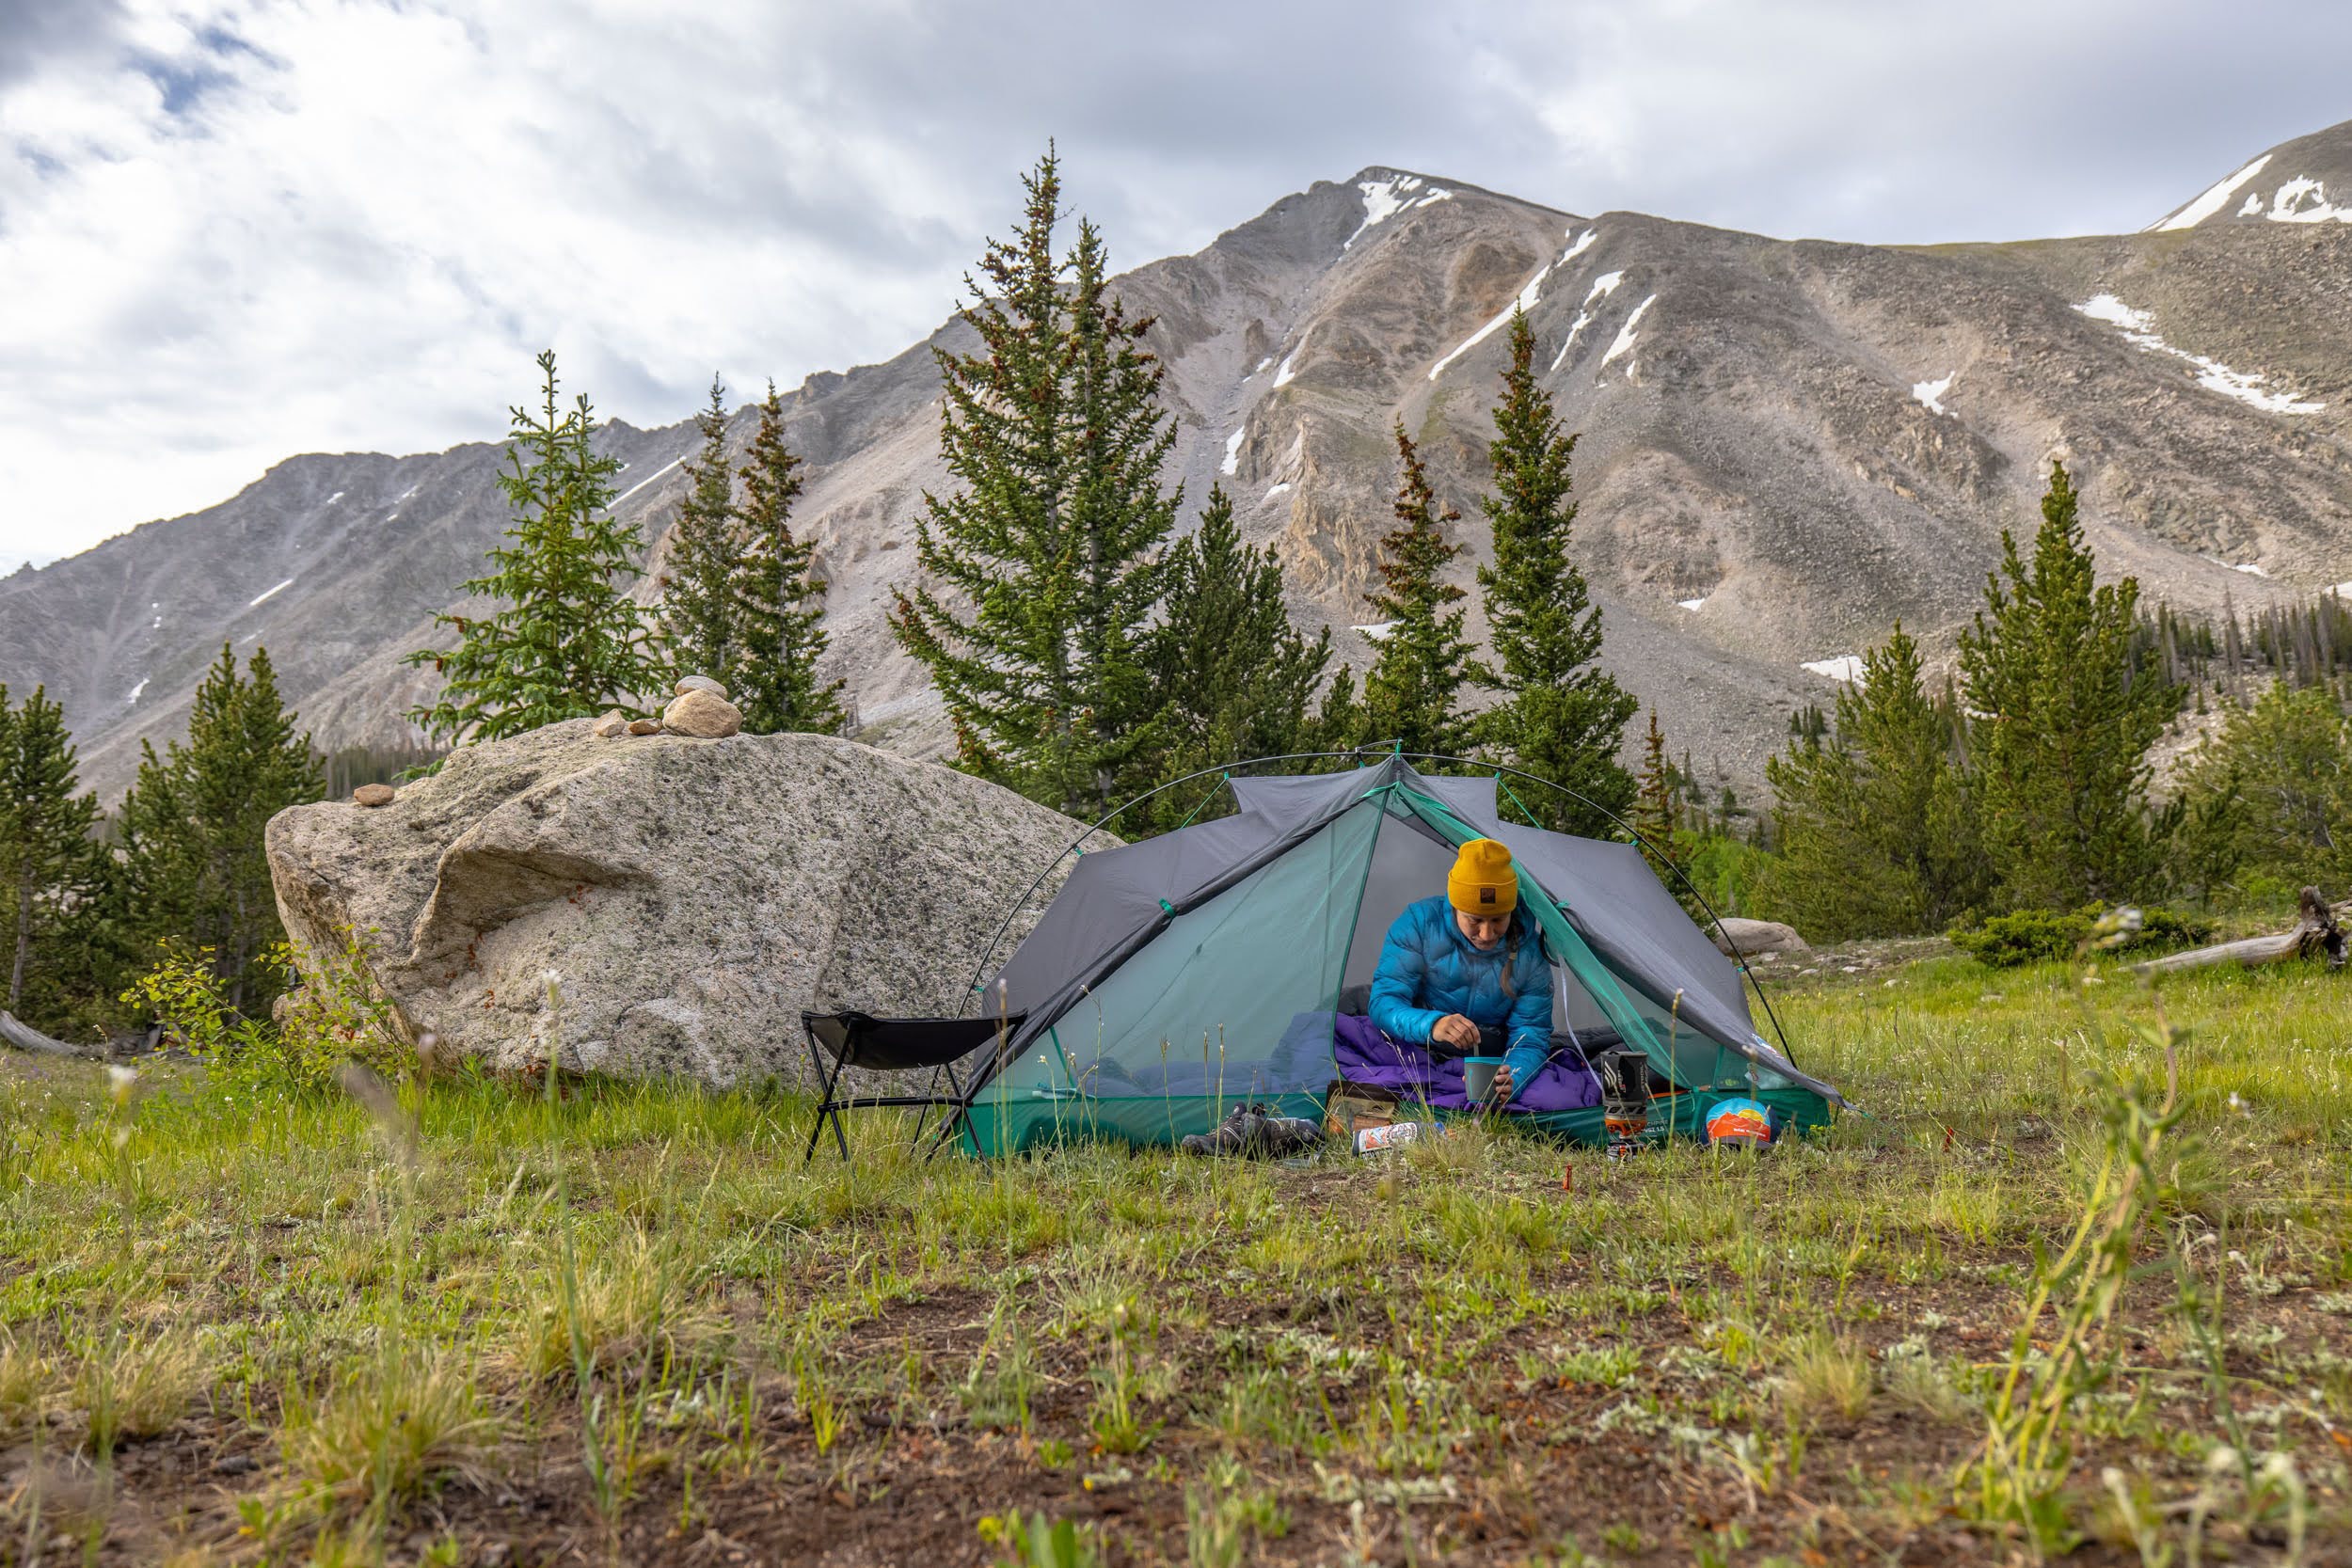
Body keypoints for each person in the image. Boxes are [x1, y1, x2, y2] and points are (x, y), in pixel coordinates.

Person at [1369, 838, 1553, 1106]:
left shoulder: (1530, 951)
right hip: (1417, 1046)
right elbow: (1384, 1003)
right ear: (1455, 907)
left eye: (1499, 919)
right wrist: (1433, 1024)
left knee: (1554, 1095)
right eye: (1475, 920)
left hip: (1486, 1058)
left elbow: (1531, 1034)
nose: (1487, 934)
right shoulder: (1419, 925)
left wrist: (1513, 1076)